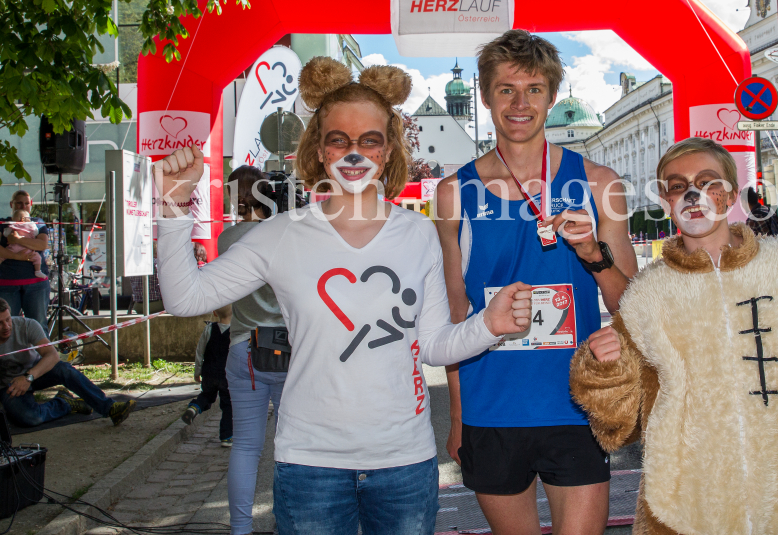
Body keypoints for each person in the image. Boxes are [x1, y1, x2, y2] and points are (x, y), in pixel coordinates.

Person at [154, 59, 532, 535]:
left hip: (405, 463)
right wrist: (171, 207)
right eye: (339, 139)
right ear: (319, 147)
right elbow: (187, 297)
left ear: (389, 148)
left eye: (369, 139)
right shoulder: (279, 235)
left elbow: (434, 345)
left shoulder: (420, 234)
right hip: (310, 465)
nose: (354, 153)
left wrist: (488, 326)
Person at [569, 137, 778, 535]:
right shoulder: (646, 294)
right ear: (666, 201)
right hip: (681, 506)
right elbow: (621, 422)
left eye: (707, 181)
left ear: (732, 194)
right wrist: (604, 370)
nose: (693, 194)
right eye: (678, 186)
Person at [434, 30, 637, 535]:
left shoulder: (598, 183)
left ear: (551, 95)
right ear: (486, 96)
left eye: (534, 89)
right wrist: (458, 416)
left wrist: (593, 253)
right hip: (491, 405)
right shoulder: (452, 192)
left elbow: (634, 304)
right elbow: (454, 313)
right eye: (506, 89)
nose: (520, 103)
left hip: (576, 401)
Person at [219, 164, 288, 535]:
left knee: (246, 447)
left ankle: (240, 530)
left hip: (243, 347)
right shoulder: (285, 233)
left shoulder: (226, 240)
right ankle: (284, 523)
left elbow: (222, 305)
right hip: (289, 351)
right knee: (288, 448)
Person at [0, 298, 135, 427]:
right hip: (9, 385)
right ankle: (65, 403)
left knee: (64, 369)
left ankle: (109, 407)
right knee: (29, 418)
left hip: (35, 373)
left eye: (8, 319)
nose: (6, 326)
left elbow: (52, 355)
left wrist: (28, 377)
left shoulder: (27, 325)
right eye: (0, 323)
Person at [183, 306, 233, 446]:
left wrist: (197, 371)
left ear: (214, 312)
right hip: (227, 375)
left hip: (209, 372)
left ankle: (194, 408)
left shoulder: (209, 329)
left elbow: (200, 352)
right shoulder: (236, 331)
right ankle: (226, 436)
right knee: (228, 405)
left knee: (206, 396)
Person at [0, 191, 50, 329]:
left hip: (36, 285)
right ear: (11, 204)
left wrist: (17, 240)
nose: (23, 206)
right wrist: (18, 256)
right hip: (7, 284)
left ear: (31, 205)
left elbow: (42, 245)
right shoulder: (3, 223)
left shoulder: (38, 223)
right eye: (19, 203)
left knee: (39, 326)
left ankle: (41, 351)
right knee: (6, 328)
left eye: (26, 203)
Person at [1, 210, 45, 278]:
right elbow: (36, 232)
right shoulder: (31, 225)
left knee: (1, 257)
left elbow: (5, 233)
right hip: (27, 251)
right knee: (38, 257)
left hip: (12, 249)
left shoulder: (12, 225)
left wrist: (14, 238)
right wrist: (32, 224)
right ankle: (38, 271)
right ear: (24, 219)